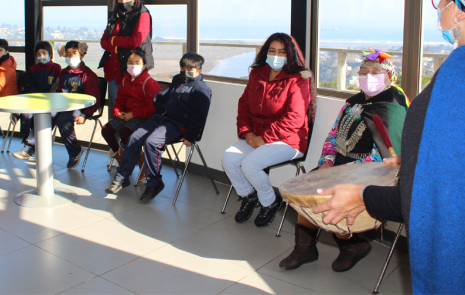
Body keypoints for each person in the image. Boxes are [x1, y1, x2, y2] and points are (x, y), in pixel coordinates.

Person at [311, 0, 465, 294]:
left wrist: (365, 197)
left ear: (461, 9)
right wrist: (418, 158)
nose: (441, 9)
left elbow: (441, 197)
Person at [278, 49, 409, 273]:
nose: (368, 76)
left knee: (328, 193)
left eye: (375, 72)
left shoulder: (392, 107)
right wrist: (327, 162)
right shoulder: (352, 103)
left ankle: (351, 247)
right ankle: (305, 249)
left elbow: (387, 157)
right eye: (363, 71)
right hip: (336, 165)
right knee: (307, 190)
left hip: (368, 173)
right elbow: (333, 135)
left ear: (389, 77)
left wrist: (342, 172)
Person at [221, 33, 316, 228]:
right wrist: (247, 133)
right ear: (265, 52)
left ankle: (270, 202)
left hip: (289, 140)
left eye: (282, 52)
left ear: (290, 55)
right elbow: (244, 106)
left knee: (250, 164)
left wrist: (264, 138)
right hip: (257, 136)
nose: (276, 55)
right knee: (229, 158)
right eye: (272, 50)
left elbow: (295, 118)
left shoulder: (299, 79)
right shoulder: (257, 74)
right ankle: (248, 195)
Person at [105, 52, 211, 202]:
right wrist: (158, 103)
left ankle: (155, 183)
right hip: (161, 118)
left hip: (177, 124)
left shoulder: (201, 89)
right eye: (183, 68)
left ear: (199, 71)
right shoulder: (177, 79)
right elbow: (165, 96)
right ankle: (122, 178)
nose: (185, 72)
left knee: (151, 142)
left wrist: (191, 135)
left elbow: (199, 116)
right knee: (134, 137)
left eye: (190, 69)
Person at [101, 48, 161, 174]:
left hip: (142, 117)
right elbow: (120, 100)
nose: (133, 65)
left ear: (144, 66)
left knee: (125, 133)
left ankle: (136, 160)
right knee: (106, 130)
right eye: (130, 62)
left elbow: (152, 108)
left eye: (137, 62)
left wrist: (133, 114)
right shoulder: (125, 80)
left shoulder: (149, 83)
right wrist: (117, 111)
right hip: (126, 114)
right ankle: (123, 156)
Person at [99, 0, 154, 108]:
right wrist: (116, 47)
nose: (123, 1)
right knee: (117, 108)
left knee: (132, 109)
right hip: (112, 70)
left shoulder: (142, 14)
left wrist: (113, 40)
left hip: (131, 69)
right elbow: (103, 41)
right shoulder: (115, 15)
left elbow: (135, 40)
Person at [53, 41, 101, 168]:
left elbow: (95, 99)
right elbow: (58, 92)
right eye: (68, 54)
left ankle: (75, 151)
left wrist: (85, 114)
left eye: (74, 53)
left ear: (82, 55)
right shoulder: (63, 73)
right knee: (47, 115)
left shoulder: (88, 75)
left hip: (81, 108)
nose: (70, 57)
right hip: (64, 106)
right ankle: (34, 148)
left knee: (63, 120)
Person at [12, 41, 62, 161]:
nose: (41, 56)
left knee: (46, 116)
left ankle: (29, 148)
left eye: (44, 53)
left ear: (50, 54)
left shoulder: (57, 68)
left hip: (51, 104)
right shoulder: (32, 69)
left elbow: (58, 88)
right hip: (34, 102)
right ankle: (29, 143)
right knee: (26, 114)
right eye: (38, 54)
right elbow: (26, 87)